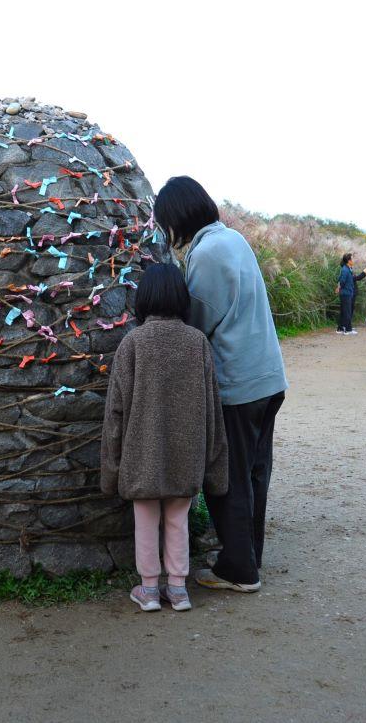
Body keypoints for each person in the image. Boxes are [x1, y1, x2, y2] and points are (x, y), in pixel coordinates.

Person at [152, 176, 287, 593]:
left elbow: (195, 322)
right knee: (254, 473)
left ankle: (239, 572)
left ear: (178, 216)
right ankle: (246, 555)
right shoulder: (232, 239)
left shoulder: (206, 253)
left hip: (239, 384)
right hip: (268, 378)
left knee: (227, 476)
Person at [101, 263, 229, 612]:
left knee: (146, 522)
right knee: (178, 520)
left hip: (141, 455)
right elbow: (211, 406)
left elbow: (116, 412)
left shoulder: (133, 343)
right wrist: (215, 466)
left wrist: (111, 469)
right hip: (186, 456)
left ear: (143, 299)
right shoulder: (197, 342)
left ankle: (149, 590)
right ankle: (178, 588)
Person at [336, 252, 366, 335]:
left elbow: (340, 279)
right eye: (352, 259)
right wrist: (339, 287)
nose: (354, 260)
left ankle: (340, 328)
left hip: (347, 293)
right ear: (349, 261)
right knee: (347, 312)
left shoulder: (348, 269)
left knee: (344, 311)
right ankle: (347, 329)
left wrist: (338, 287)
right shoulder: (345, 269)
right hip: (346, 293)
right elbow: (341, 280)